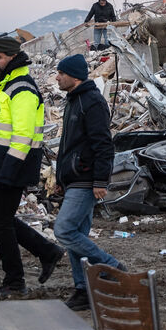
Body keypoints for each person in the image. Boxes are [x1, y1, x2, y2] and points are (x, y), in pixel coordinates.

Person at [0, 34, 65, 299]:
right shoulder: (9, 84)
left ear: (12, 57)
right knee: (0, 219)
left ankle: (15, 281)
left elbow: (22, 137)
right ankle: (47, 252)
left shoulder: (22, 89)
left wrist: (7, 172)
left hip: (13, 167)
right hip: (5, 167)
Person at [53, 54, 124, 311]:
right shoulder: (73, 101)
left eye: (61, 73)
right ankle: (84, 289)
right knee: (76, 236)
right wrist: (60, 178)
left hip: (86, 179)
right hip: (74, 179)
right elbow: (66, 145)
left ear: (75, 76)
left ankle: (112, 267)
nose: (57, 77)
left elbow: (103, 143)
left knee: (64, 230)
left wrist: (100, 180)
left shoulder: (91, 101)